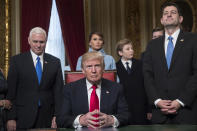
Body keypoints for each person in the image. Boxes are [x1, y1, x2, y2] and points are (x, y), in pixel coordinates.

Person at [143, 2, 197, 124]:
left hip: (186, 111)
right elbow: (147, 75)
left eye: (173, 12)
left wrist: (180, 101)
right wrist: (157, 101)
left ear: (181, 18)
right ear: (162, 20)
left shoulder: (193, 40)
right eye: (165, 13)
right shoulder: (152, 45)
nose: (169, 15)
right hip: (159, 113)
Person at [6, 27, 64, 130]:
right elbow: (11, 92)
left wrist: (57, 116)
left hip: (47, 116)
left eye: (41, 42)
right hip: (22, 116)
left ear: (45, 42)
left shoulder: (55, 62)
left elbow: (58, 92)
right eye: (35, 41)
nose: (38, 45)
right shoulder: (17, 61)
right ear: (28, 40)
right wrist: (11, 118)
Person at [57, 51, 129, 128]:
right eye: (89, 66)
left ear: (103, 68)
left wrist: (112, 120)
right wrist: (80, 120)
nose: (93, 71)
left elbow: (126, 116)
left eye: (97, 66)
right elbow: (61, 119)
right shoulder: (70, 89)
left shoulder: (116, 88)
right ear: (83, 70)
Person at [116, 39, 149, 125]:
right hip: (124, 109)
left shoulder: (141, 64)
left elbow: (146, 87)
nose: (132, 50)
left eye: (132, 48)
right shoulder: (115, 68)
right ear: (120, 53)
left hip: (141, 108)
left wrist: (149, 109)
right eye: (128, 49)